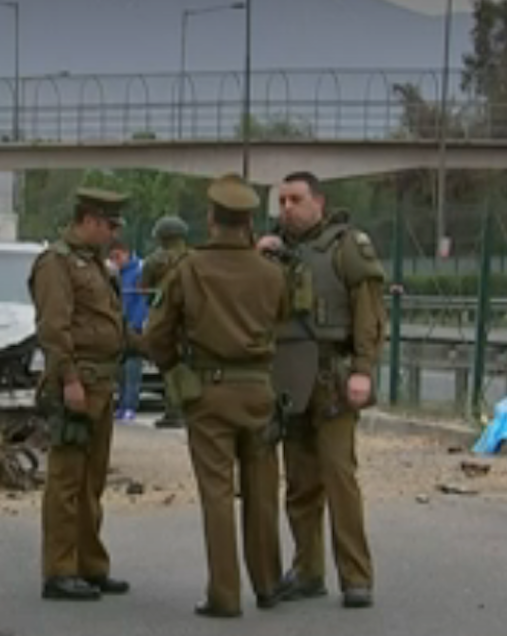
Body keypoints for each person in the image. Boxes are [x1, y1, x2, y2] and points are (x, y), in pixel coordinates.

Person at [144, 173, 287, 619]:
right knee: (263, 492)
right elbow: (282, 323)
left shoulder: (189, 269)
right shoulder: (271, 272)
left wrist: (173, 369)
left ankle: (224, 594)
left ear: (210, 219)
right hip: (260, 390)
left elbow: (156, 335)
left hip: (208, 390)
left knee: (218, 493)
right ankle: (267, 584)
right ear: (248, 221)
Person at [264, 171, 386, 609]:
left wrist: (364, 369)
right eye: (281, 201)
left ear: (318, 201)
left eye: (295, 199)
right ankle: (308, 569)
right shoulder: (274, 250)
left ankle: (356, 575)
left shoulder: (346, 246)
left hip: (334, 374)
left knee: (339, 477)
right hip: (290, 379)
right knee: (299, 482)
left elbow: (369, 313)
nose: (287, 209)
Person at [29, 187, 136, 601]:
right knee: (67, 483)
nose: (112, 234)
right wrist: (69, 379)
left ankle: (90, 565)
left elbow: (113, 326)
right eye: (109, 225)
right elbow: (54, 330)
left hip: (102, 386)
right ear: (89, 220)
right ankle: (59, 570)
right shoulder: (56, 264)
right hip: (77, 387)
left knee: (91, 483)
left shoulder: (93, 265)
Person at [140, 215, 191, 429]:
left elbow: (145, 290)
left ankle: (174, 410)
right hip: (191, 320)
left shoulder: (154, 261)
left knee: (168, 365)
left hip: (165, 319)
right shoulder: (193, 258)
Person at [108, 240, 147, 423]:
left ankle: (130, 406)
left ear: (126, 253)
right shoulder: (114, 273)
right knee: (121, 372)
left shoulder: (139, 271)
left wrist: (135, 324)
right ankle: (122, 405)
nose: (115, 260)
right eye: (112, 257)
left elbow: (141, 302)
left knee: (132, 371)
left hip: (133, 328)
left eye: (118, 256)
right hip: (118, 328)